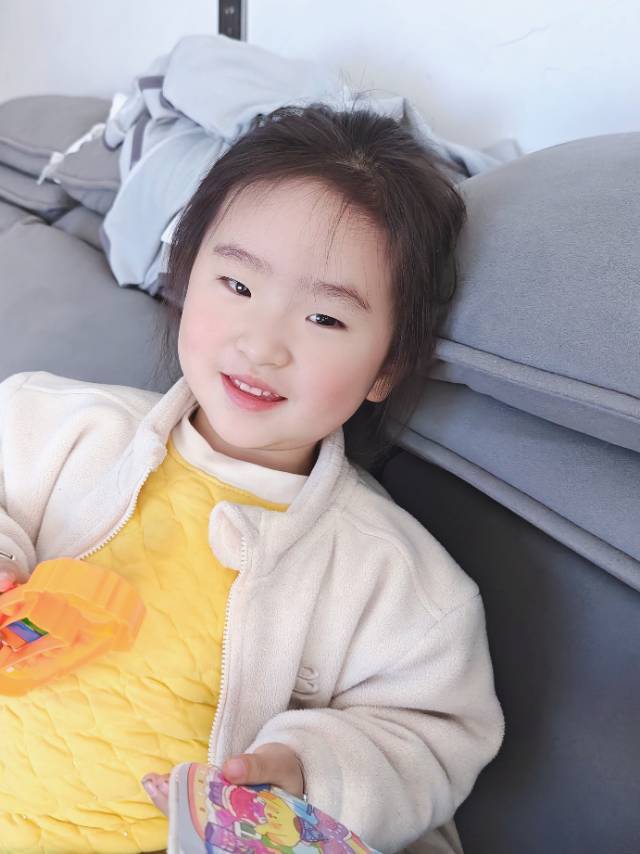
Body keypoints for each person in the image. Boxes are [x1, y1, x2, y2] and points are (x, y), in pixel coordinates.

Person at [0, 102, 504, 854]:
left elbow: (430, 737)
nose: (263, 345)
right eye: (236, 285)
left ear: (388, 367)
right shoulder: (49, 422)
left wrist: (306, 766)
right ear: (183, 279)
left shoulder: (398, 583)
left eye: (325, 319)